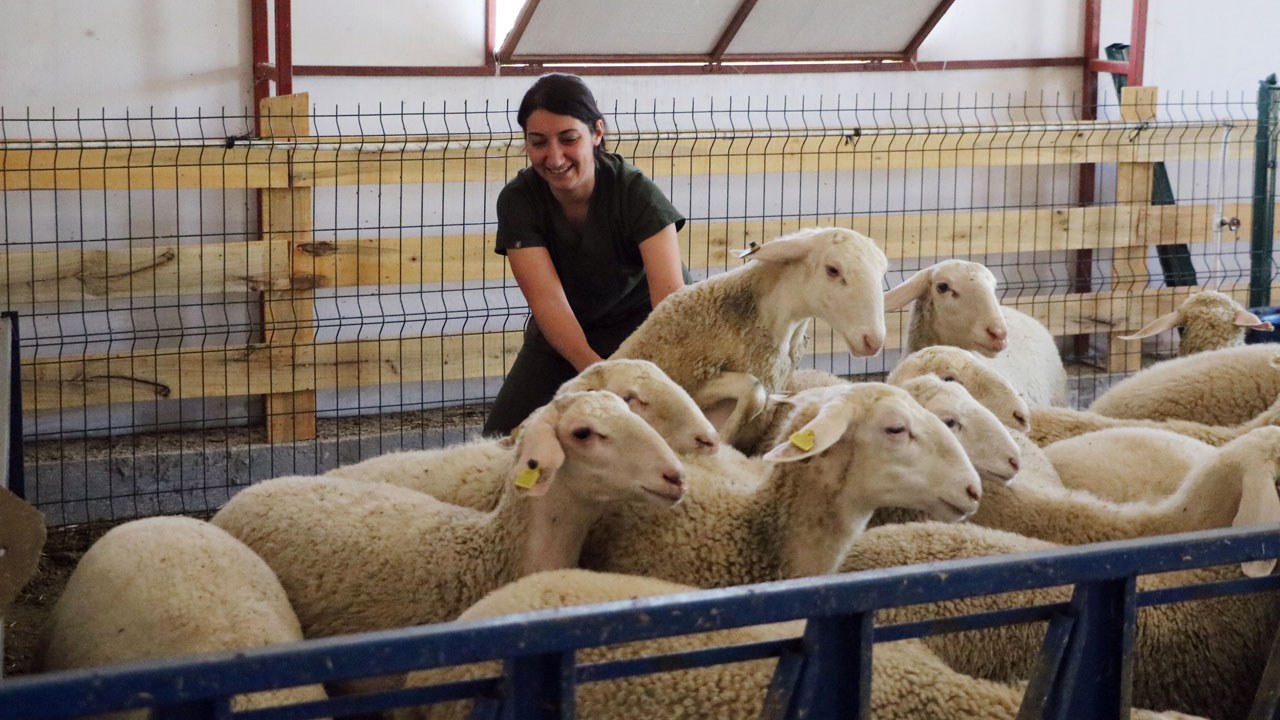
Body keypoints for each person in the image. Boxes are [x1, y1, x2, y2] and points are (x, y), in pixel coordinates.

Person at [482, 73, 688, 437]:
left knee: (663, 431)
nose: (555, 157)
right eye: (538, 142)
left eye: (568, 139)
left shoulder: (636, 192)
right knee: (501, 440)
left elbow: (670, 302)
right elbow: (546, 301)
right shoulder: (518, 200)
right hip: (565, 335)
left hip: (645, 330)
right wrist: (599, 377)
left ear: (596, 133)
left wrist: (650, 380)